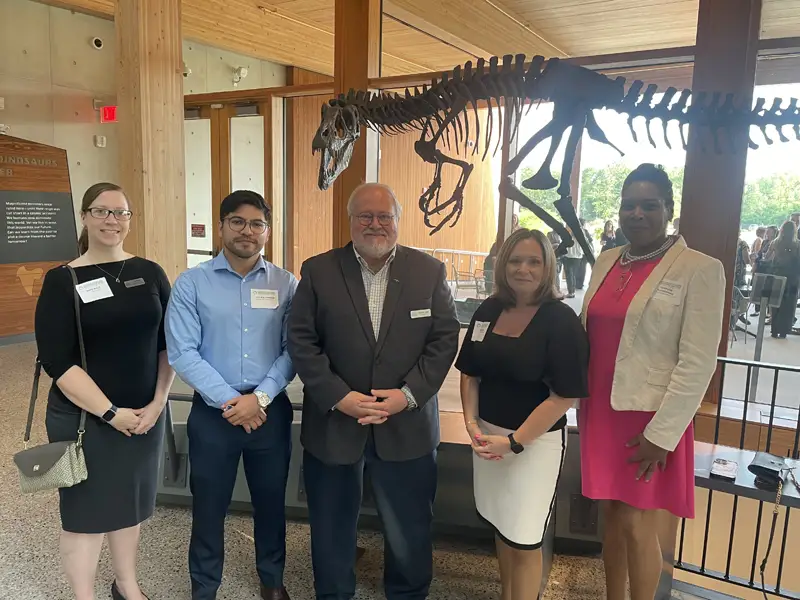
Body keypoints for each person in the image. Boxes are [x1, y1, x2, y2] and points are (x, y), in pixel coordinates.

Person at [288, 182, 460, 600]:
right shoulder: (318, 271)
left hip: (407, 424)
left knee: (410, 525)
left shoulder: (429, 272)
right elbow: (302, 341)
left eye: (385, 216)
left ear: (398, 220)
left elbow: (443, 340)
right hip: (335, 423)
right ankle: (333, 593)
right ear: (350, 220)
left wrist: (408, 395)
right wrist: (338, 396)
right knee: (330, 524)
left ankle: (408, 593)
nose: (375, 224)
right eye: (365, 215)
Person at [579, 164, 725, 600]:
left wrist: (663, 435)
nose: (637, 214)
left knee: (637, 524)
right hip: (601, 410)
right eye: (629, 205)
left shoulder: (699, 269)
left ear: (669, 209)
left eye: (649, 205)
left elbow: (698, 362)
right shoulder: (607, 261)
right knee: (611, 517)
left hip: (648, 419)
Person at [35, 182, 174, 600]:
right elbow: (58, 362)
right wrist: (111, 413)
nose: (111, 220)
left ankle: (126, 584)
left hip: (145, 415)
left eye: (120, 212)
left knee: (129, 504)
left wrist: (158, 402)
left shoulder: (150, 272)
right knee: (85, 514)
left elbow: (170, 343)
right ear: (84, 217)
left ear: (130, 219)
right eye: (101, 211)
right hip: (84, 418)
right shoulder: (62, 280)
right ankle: (84, 595)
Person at [166, 190, 297, 600]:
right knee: (209, 504)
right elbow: (182, 352)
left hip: (269, 411)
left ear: (267, 231)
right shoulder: (192, 283)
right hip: (213, 413)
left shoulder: (286, 283)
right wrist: (231, 401)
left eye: (257, 224)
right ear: (221, 226)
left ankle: (272, 580)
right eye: (237, 221)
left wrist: (260, 398)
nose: (247, 231)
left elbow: (294, 349)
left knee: (271, 501)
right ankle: (204, 585)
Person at [455, 228, 589, 600]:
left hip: (533, 446)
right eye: (515, 260)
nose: (523, 269)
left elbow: (564, 397)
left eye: (534, 261)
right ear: (502, 265)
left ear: (548, 267)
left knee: (526, 539)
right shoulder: (488, 309)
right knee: (503, 527)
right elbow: (469, 372)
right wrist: (471, 424)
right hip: (487, 439)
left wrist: (515, 441)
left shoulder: (561, 320)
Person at [765, 221, 800, 339]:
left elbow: (767, 257)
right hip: (793, 278)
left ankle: (774, 330)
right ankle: (784, 331)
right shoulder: (797, 244)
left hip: (777, 276)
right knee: (789, 305)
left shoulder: (775, 242)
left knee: (776, 303)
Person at [576, 218, 594, 291]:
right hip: (585, 252)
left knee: (580, 268)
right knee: (582, 268)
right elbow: (590, 240)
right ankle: (580, 283)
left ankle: (578, 283)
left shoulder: (577, 231)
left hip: (581, 252)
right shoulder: (585, 231)